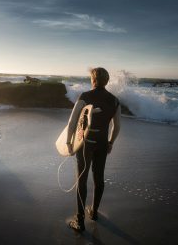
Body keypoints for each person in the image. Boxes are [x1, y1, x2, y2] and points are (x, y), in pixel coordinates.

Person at [66, 67, 121, 232]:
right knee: (99, 178)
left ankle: (80, 220)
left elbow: (72, 122)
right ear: (107, 81)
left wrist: (69, 144)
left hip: (85, 144)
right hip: (102, 143)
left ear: (93, 80)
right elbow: (116, 126)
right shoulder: (115, 101)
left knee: (81, 180)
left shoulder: (85, 96)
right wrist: (111, 142)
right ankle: (94, 212)